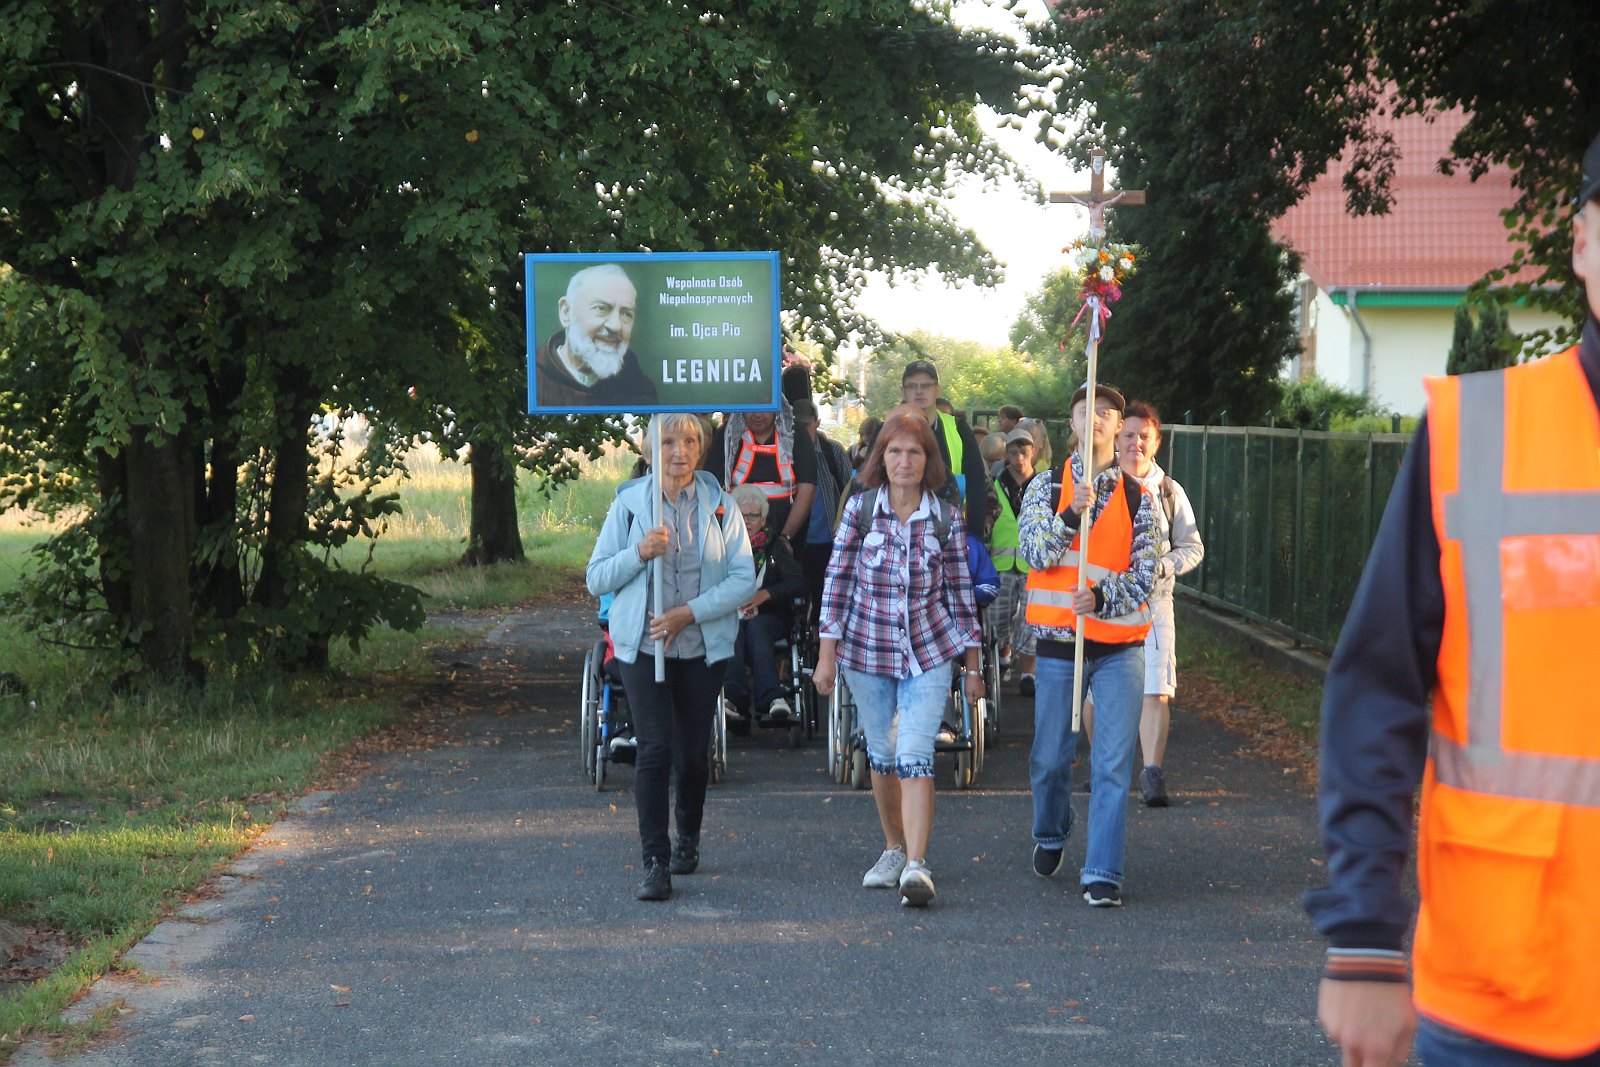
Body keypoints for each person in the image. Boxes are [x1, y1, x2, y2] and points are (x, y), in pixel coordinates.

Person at [1307, 132, 1600, 1066]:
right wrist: (1361, 937)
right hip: (1505, 998)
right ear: (1584, 246)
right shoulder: (1477, 436)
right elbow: (1378, 689)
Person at [813, 406, 984, 909]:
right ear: (880, 457)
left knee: (915, 754)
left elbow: (961, 595)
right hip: (866, 652)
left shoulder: (947, 518)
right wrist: (827, 656)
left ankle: (917, 865)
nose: (904, 461)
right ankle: (894, 848)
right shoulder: (860, 510)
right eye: (895, 452)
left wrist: (973, 668)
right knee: (883, 758)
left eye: (914, 452)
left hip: (929, 651)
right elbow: (837, 583)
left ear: (927, 460)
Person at [585, 413, 756, 902]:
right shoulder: (629, 505)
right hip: (643, 645)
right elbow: (596, 578)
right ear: (648, 449)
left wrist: (689, 613)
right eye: (667, 441)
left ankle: (689, 838)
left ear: (701, 449)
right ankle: (654, 861)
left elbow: (744, 579)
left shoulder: (721, 505)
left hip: (701, 648)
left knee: (691, 756)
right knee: (655, 750)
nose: (678, 450)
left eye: (688, 440)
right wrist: (638, 552)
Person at [1019, 382, 1157, 908]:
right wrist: (1069, 515)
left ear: (1117, 427)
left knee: (1111, 764)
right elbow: (1033, 551)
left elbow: (1147, 574)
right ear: (1072, 423)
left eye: (1106, 413)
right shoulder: (1044, 486)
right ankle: (1052, 831)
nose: (1095, 419)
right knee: (1050, 759)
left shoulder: (1139, 497)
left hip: (1119, 646)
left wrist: (1101, 595)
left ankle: (1102, 872)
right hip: (1057, 646)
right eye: (1086, 411)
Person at [1114, 402, 1204, 807]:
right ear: (1117, 438)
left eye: (1143, 436)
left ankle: (1152, 772)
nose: (1135, 443)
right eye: (1128, 435)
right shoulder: (1101, 484)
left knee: (1156, 688)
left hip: (1154, 603)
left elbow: (1192, 546)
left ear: (1156, 443)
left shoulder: (1170, 491)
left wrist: (1164, 566)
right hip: (1107, 603)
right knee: (1101, 693)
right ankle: (1107, 766)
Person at [722, 484, 806, 729]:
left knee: (757, 628)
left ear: (764, 518)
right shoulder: (720, 547)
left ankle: (771, 698)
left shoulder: (775, 547)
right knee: (734, 629)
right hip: (731, 614)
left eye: (753, 516)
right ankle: (733, 700)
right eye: (741, 515)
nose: (747, 521)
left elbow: (799, 581)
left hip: (771, 615)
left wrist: (766, 594)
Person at [533, 264, 658, 408]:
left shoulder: (640, 390)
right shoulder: (533, 381)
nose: (616, 325)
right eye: (601, 308)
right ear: (566, 312)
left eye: (626, 313)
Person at [703, 403, 818, 551]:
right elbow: (710, 488)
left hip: (786, 535)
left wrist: (785, 537)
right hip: (735, 538)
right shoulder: (727, 434)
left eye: (765, 408)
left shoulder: (795, 432)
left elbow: (807, 489)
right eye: (751, 408)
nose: (757, 415)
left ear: (777, 405)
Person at [900, 360, 990, 538]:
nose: (919, 391)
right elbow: (868, 484)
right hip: (898, 534)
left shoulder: (958, 429)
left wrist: (972, 536)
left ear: (937, 390)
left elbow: (976, 485)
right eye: (912, 386)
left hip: (950, 535)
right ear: (903, 391)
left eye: (926, 385)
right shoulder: (886, 429)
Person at [792, 398, 852, 618]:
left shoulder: (832, 451)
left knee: (824, 596)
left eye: (806, 425)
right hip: (797, 540)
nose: (801, 430)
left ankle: (820, 640)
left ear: (816, 423)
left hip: (827, 540)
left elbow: (850, 490)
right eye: (796, 425)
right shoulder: (785, 452)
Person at [992, 426, 1040, 696]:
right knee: (999, 617)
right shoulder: (996, 484)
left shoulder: (1043, 487)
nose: (1019, 458)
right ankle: (1003, 653)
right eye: (1013, 452)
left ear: (1033, 452)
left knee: (1030, 618)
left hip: (1032, 563)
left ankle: (1028, 674)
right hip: (1000, 563)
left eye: (1023, 452)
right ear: (1006, 454)